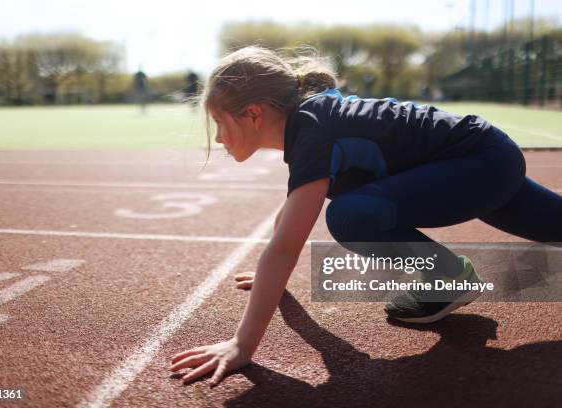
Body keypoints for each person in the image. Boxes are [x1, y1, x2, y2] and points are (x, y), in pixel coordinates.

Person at [168, 46, 562, 386]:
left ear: (253, 114)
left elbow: (286, 247)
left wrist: (242, 345)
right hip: (486, 156)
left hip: (478, 164)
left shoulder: (313, 131)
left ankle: (448, 278)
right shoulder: (312, 122)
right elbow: (291, 216)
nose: (218, 138)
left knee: (350, 216)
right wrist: (268, 276)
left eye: (219, 123)